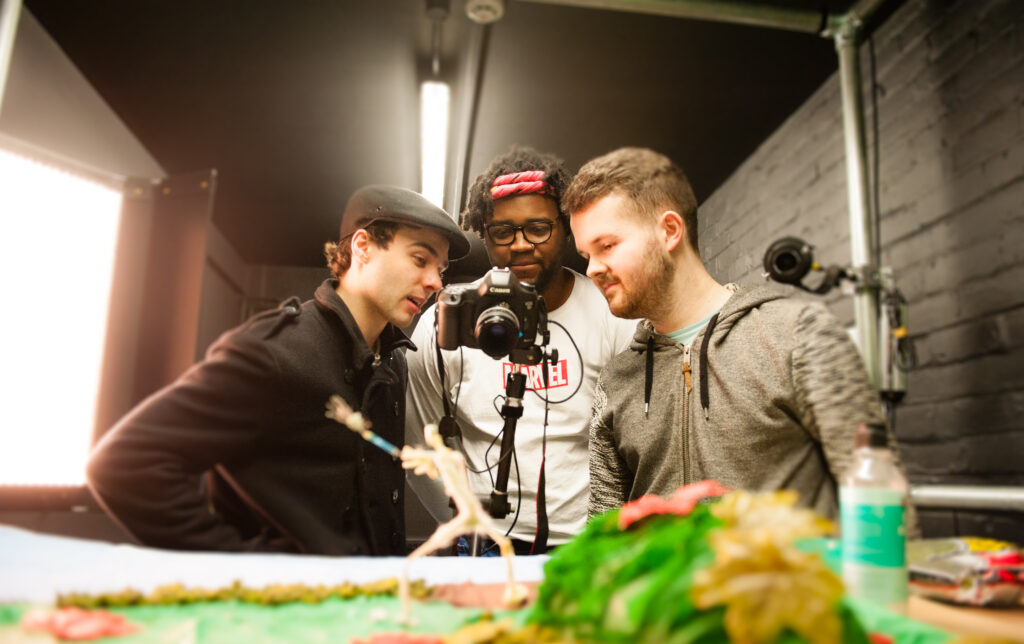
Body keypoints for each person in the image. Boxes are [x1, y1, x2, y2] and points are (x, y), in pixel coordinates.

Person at [87, 185, 470, 555]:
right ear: (363, 247)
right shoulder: (275, 352)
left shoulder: (393, 359)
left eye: (440, 269)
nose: (435, 282)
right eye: (420, 260)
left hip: (366, 607)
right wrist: (243, 569)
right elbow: (124, 464)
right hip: (288, 612)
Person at [563, 147, 894, 520]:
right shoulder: (616, 380)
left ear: (669, 231)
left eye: (606, 246)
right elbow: (604, 527)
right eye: (585, 255)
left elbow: (877, 498)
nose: (592, 269)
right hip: (667, 579)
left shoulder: (798, 336)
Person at [405, 147, 635, 554]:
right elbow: (421, 443)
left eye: (538, 228)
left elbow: (632, 438)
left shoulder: (612, 312)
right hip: (483, 544)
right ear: (485, 236)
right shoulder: (447, 323)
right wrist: (462, 524)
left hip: (587, 544)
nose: (521, 245)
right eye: (503, 232)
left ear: (565, 229)